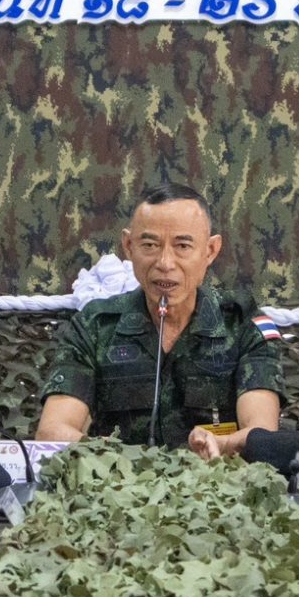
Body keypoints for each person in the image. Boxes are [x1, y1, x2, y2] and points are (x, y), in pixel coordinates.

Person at [36, 184, 284, 459]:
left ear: (210, 251)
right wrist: (118, 456)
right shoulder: (95, 326)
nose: (165, 263)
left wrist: (220, 445)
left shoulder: (242, 324)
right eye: (150, 245)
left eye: (182, 246)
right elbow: (52, 432)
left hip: (215, 479)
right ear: (129, 246)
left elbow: (262, 434)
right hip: (119, 479)